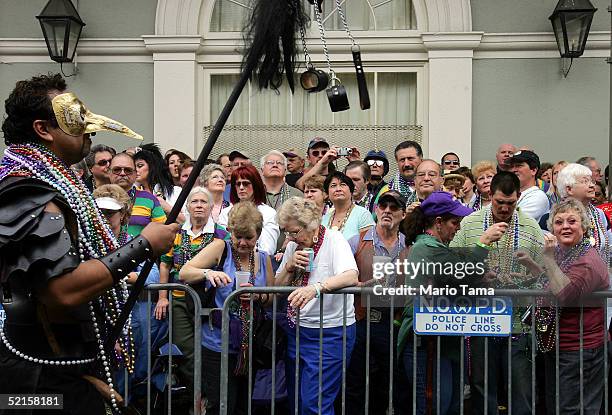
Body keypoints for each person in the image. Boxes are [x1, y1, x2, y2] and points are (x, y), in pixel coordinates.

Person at [0, 73, 178, 414]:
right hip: (34, 387)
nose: (90, 131)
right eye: (76, 121)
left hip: (60, 372)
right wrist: (143, 245)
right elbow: (61, 291)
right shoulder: (29, 191)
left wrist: (80, 377)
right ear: (43, 129)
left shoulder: (49, 185)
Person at [450, 171, 545, 415]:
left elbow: (543, 278)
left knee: (521, 388)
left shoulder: (531, 228)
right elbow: (452, 267)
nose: (504, 208)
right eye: (499, 202)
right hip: (481, 319)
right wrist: (481, 252)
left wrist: (529, 274)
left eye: (510, 203)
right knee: (483, 387)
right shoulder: (470, 224)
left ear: (519, 197)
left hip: (518, 323)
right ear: (489, 195)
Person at [397, 191, 498, 415]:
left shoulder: (439, 249)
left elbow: (456, 277)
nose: (458, 228)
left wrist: (479, 278)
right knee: (434, 406)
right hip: (425, 343)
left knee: (450, 404)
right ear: (439, 222)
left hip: (445, 340)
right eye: (455, 222)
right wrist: (483, 242)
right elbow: (461, 271)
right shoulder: (426, 248)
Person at [180, 202, 273, 415]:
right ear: (230, 231)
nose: (242, 243)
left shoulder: (263, 258)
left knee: (243, 406)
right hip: (216, 344)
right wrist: (208, 273)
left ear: (258, 234)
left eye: (248, 238)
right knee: (221, 405)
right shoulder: (221, 247)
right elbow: (185, 272)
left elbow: (271, 297)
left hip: (249, 345)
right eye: (237, 236)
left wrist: (259, 295)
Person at [522, 199, 609, 414]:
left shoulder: (587, 260)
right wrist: (532, 265)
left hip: (581, 350)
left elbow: (564, 293)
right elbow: (552, 282)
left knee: (572, 409)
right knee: (559, 406)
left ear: (584, 226)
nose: (565, 227)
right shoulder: (566, 252)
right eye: (559, 222)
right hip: (560, 346)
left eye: (572, 221)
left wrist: (548, 258)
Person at [275, 197, 359, 415]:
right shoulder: (293, 245)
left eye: (294, 232)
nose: (290, 237)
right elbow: (276, 286)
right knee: (296, 401)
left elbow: (350, 276)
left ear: (311, 225)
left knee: (315, 403)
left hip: (330, 333)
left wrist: (317, 288)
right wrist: (289, 266)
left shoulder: (334, 239)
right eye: (286, 232)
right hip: (297, 331)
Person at [93, 184, 167, 402]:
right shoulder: (88, 241)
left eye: (110, 212)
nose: (104, 217)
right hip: (95, 322)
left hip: (130, 320)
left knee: (125, 381)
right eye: (100, 211)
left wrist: (114, 276)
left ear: (123, 214)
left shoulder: (132, 242)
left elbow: (151, 276)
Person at [343, 190, 409, 415]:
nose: (387, 211)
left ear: (403, 214)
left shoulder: (409, 245)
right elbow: (342, 273)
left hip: (394, 322)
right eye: (383, 206)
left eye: (394, 208)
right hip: (361, 319)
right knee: (356, 381)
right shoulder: (357, 241)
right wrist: (356, 284)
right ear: (376, 210)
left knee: (389, 382)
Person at [158, 186, 218, 408]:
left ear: (211, 207)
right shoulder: (176, 233)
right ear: (188, 207)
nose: (199, 205)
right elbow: (165, 264)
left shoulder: (220, 233)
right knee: (186, 351)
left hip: (209, 301)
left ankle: (209, 399)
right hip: (179, 299)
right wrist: (163, 297)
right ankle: (199, 398)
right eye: (195, 202)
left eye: (204, 202)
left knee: (209, 350)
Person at [551, 163, 610, 264]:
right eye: (585, 181)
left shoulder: (599, 214)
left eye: (592, 181)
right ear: (569, 189)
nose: (592, 185)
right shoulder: (555, 216)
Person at [218, 165, 280, 255]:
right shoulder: (225, 213)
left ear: (255, 185)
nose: (241, 187)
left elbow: (268, 249)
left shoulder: (269, 213)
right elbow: (221, 245)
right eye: (238, 184)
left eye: (246, 183)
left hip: (258, 262)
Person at [109, 152, 168, 238]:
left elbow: (163, 233)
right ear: (109, 172)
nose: (122, 173)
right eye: (117, 170)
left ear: (135, 174)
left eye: (128, 170)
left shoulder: (150, 199)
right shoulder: (99, 199)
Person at [134, 143, 185, 223]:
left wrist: (167, 208)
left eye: (140, 166)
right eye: (134, 167)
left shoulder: (176, 191)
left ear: (152, 166)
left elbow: (189, 223)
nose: (136, 170)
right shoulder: (133, 194)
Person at [322, 171, 374, 241]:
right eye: (333, 186)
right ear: (327, 193)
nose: (338, 189)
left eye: (343, 185)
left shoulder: (363, 215)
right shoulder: (324, 219)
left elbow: (368, 246)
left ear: (351, 191)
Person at [507, 150, 550, 221]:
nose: (513, 170)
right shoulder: (507, 193)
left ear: (533, 170)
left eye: (519, 166)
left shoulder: (538, 196)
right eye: (511, 166)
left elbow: (513, 223)